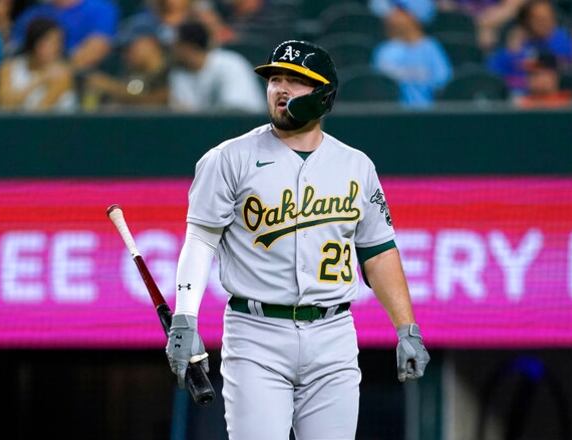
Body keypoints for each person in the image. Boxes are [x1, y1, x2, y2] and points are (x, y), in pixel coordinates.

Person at [164, 40, 430, 439]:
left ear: (325, 95)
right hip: (256, 334)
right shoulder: (228, 158)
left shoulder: (356, 165)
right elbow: (201, 241)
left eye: (295, 81)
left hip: (333, 333)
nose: (281, 89)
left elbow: (377, 251)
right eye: (275, 79)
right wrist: (185, 316)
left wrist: (407, 328)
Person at [168, 20, 264, 112]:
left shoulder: (230, 63)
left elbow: (237, 110)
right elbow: (184, 113)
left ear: (188, 47)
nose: (172, 49)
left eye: (176, 45)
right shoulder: (178, 74)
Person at [372, 0, 452, 107]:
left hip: (428, 118)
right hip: (391, 119)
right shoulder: (384, 50)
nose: (393, 15)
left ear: (414, 16)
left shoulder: (432, 48)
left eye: (401, 11)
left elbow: (443, 84)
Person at [487, 0, 572, 94]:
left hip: (553, 100)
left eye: (549, 18)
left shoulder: (562, 40)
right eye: (539, 19)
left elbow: (566, 71)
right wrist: (513, 52)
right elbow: (493, 71)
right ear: (526, 22)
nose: (546, 23)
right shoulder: (515, 43)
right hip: (518, 100)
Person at [0, 18, 76, 111]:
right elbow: (4, 104)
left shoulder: (62, 74)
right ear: (35, 43)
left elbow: (40, 113)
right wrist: (40, 79)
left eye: (59, 42)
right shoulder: (8, 68)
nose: (57, 48)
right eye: (51, 42)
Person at [10, 0, 117, 70]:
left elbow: (94, 51)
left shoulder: (99, 9)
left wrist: (59, 72)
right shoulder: (34, 13)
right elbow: (16, 51)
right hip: (32, 77)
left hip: (78, 79)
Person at [83, 23, 169, 107]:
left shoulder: (171, 70)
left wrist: (111, 87)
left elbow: (157, 101)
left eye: (129, 46)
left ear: (150, 42)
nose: (125, 54)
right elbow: (132, 94)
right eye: (123, 50)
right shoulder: (133, 74)